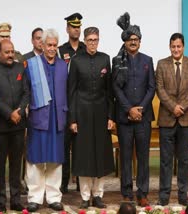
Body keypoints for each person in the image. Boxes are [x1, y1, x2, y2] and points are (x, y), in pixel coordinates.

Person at [68, 26, 115, 209]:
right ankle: (85, 196)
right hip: (83, 114)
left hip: (102, 113)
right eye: (90, 40)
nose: (93, 43)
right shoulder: (76, 60)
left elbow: (109, 91)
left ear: (98, 40)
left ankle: (98, 195)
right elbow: (71, 92)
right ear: (84, 41)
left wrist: (111, 115)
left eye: (95, 40)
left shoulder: (105, 59)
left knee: (101, 155)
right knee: (84, 156)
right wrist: (72, 119)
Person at [112, 12, 155, 207]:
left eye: (136, 39)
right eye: (130, 39)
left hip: (143, 117)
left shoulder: (147, 60)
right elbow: (116, 88)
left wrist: (141, 108)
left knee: (144, 157)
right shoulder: (117, 60)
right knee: (126, 156)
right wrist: (129, 109)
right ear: (125, 41)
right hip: (124, 117)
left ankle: (143, 192)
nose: (133, 42)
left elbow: (151, 87)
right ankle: (127, 192)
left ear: (140, 41)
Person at [24, 28, 68, 212]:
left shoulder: (63, 65)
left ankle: (53, 197)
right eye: (48, 45)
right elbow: (25, 90)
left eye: (54, 45)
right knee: (35, 160)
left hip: (57, 118)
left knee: (55, 160)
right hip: (38, 117)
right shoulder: (32, 64)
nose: (51, 48)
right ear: (41, 45)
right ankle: (34, 197)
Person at [156, 33, 188, 206]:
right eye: (173, 46)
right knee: (165, 160)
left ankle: (183, 194)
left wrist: (181, 107)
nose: (176, 49)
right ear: (170, 47)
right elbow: (160, 89)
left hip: (186, 118)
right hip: (167, 118)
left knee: (184, 159)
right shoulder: (161, 64)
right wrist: (172, 107)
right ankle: (164, 195)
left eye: (179, 46)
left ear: (183, 47)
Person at [0, 40, 29, 213]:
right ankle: (1, 203)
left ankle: (16, 200)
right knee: (0, 166)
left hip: (19, 125)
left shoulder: (21, 68)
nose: (11, 55)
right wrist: (9, 113)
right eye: (7, 52)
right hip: (1, 127)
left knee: (16, 165)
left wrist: (19, 111)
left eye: (12, 51)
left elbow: (27, 92)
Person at [58, 12, 86, 194]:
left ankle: (81, 183)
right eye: (73, 26)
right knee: (65, 145)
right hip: (66, 103)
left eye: (78, 27)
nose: (76, 29)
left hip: (83, 104)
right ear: (67, 29)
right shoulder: (61, 50)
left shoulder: (86, 48)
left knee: (81, 146)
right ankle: (64, 183)